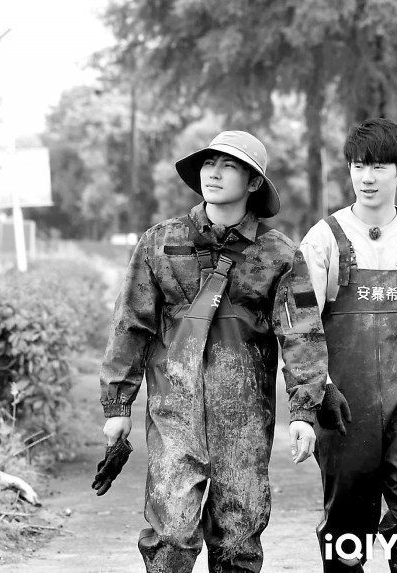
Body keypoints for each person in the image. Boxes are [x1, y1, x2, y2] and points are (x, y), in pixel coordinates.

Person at [99, 130, 342, 572]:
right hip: (174, 411)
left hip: (245, 418)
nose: (213, 172)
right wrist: (118, 405)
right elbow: (131, 324)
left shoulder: (279, 254)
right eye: (209, 163)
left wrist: (304, 412)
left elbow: (301, 334)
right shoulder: (161, 242)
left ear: (253, 182)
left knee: (238, 539)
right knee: (171, 534)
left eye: (229, 165)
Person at [298, 118, 397, 573]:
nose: (366, 177)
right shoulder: (323, 239)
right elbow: (303, 327)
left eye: (378, 167)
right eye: (358, 166)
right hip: (343, 405)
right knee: (347, 526)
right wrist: (321, 387)